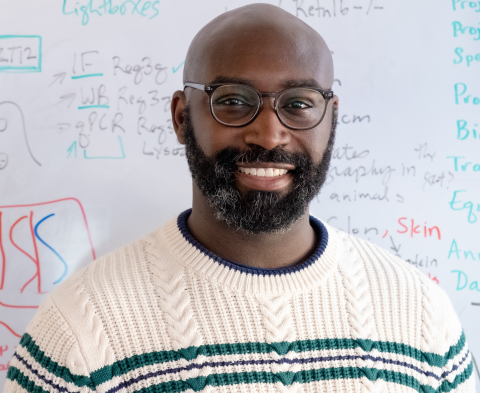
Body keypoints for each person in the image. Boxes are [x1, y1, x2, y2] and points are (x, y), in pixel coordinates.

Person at [5, 4, 475, 393]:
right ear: (181, 117)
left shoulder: (421, 316)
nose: (269, 135)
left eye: (298, 103)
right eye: (232, 101)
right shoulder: (81, 331)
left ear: (331, 118)